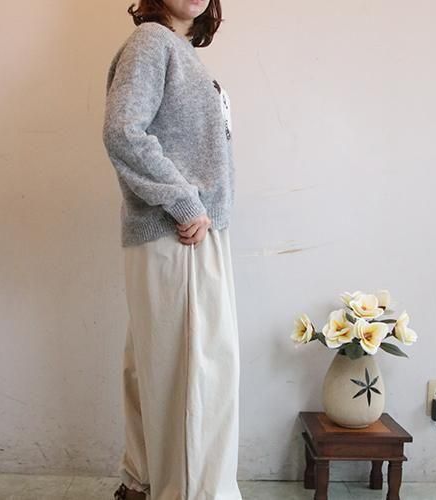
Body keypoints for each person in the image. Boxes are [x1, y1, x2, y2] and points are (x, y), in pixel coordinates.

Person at [101, 1, 241, 499]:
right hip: (180, 233)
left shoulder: (177, 50)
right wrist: (185, 203)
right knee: (196, 379)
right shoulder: (152, 42)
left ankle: (142, 484)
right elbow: (123, 130)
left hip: (186, 231)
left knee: (161, 370)